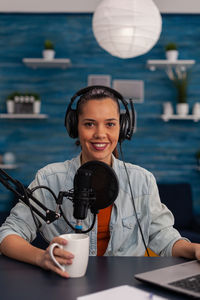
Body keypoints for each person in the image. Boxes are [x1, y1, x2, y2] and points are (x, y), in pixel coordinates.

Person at [0, 86, 200, 279]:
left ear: (122, 127)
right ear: (74, 126)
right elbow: (8, 234)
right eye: (89, 124)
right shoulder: (49, 178)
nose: (100, 134)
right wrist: (41, 257)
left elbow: (162, 236)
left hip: (126, 285)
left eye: (110, 124)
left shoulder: (142, 180)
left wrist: (193, 249)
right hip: (67, 284)